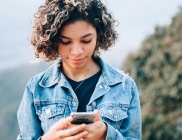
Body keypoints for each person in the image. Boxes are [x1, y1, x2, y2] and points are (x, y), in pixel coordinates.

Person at [17, 0, 141, 139]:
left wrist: (106, 134)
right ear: (52, 40)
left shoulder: (125, 87)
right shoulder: (36, 88)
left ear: (99, 35)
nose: (76, 51)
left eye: (86, 40)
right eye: (65, 41)